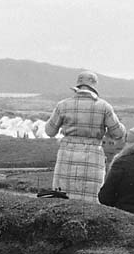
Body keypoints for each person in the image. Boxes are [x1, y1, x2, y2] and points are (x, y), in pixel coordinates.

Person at [45, 71, 126, 202]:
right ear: (94, 87)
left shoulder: (63, 105)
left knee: (62, 198)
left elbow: (49, 131)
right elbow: (119, 133)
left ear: (78, 86)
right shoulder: (104, 107)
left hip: (66, 155)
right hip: (93, 157)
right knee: (91, 200)